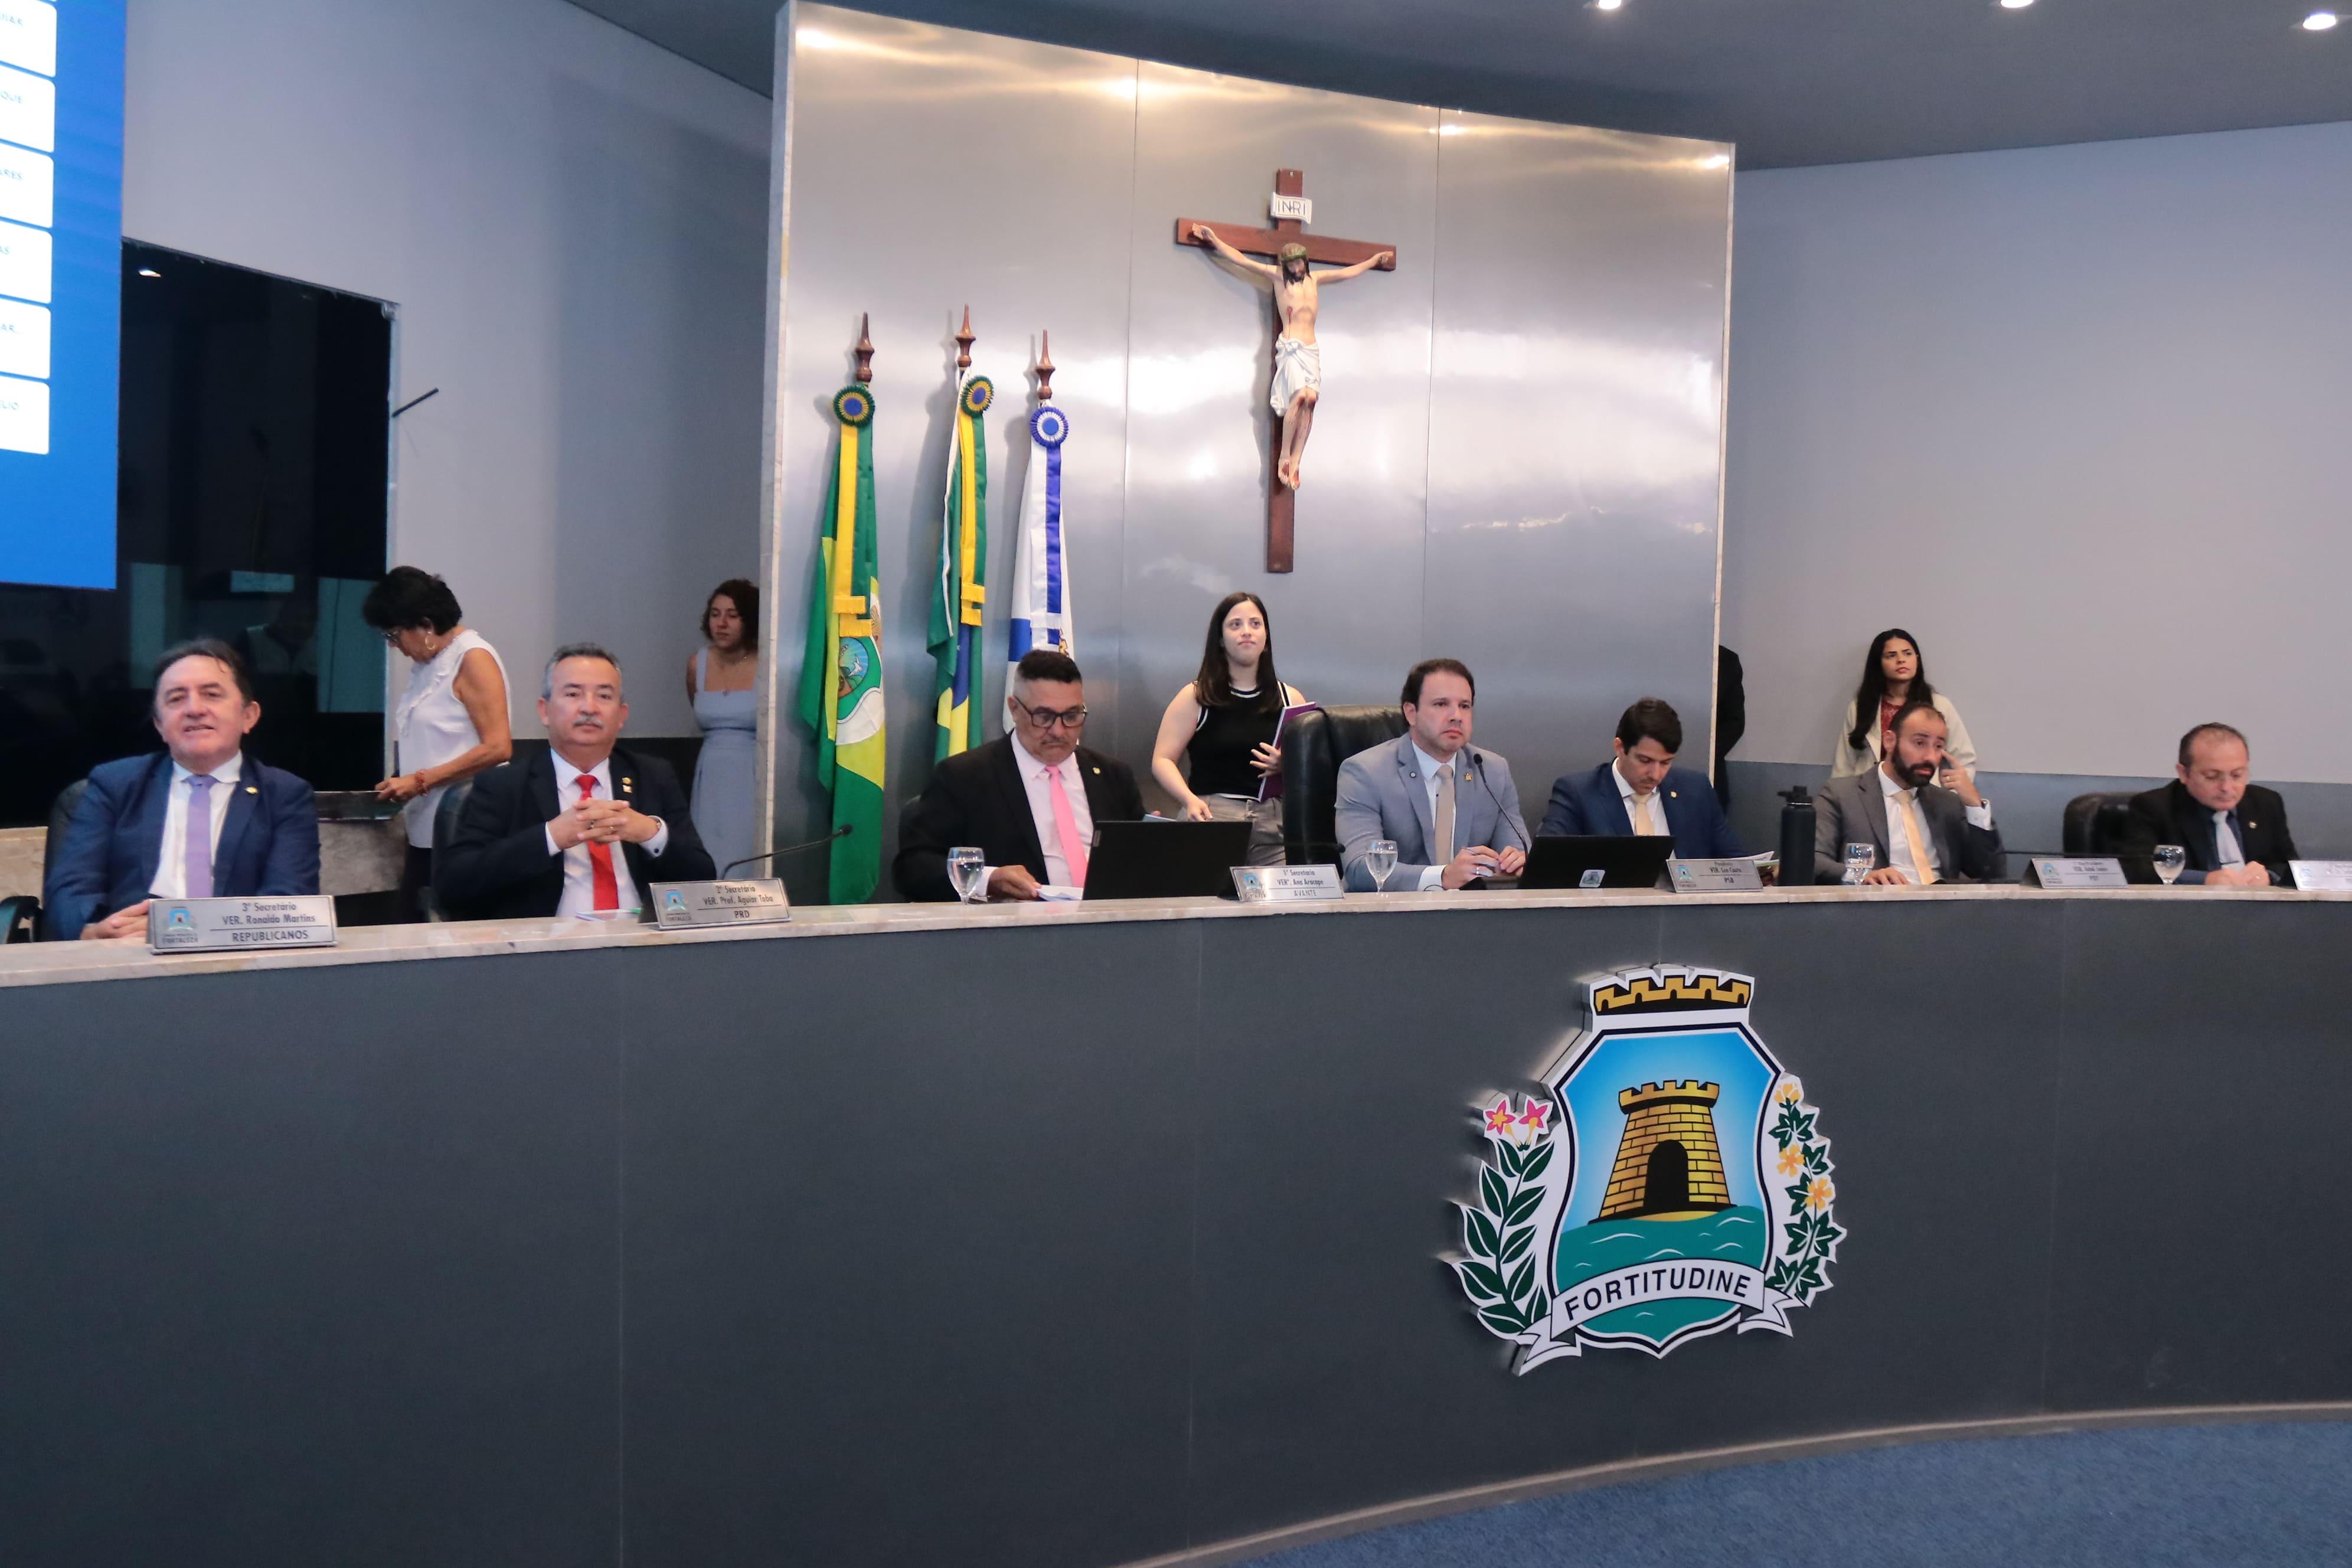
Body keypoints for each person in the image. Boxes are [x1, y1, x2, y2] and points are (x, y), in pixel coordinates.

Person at [43, 639, 321, 939]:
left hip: (238, 962)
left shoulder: (285, 794)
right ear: (160, 725)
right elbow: (71, 888)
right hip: (128, 958)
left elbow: (288, 901)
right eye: (176, 699)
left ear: (248, 716)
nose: (194, 709)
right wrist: (91, 933)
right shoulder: (115, 784)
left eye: (211, 695)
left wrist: (182, 930)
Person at [434, 643, 713, 920]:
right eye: (573, 694)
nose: (589, 707)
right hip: (547, 950)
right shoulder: (504, 785)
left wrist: (651, 832)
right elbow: (454, 884)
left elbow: (702, 876)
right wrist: (550, 837)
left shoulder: (653, 776)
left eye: (604, 696)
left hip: (641, 944)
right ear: (544, 711)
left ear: (621, 716)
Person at [894, 649, 1145, 902]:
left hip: (1111, 925)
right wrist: (988, 879)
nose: (1058, 731)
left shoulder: (1113, 776)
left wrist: (1157, 845)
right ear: (1014, 709)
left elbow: (1138, 865)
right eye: (1044, 717)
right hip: (1016, 932)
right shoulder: (965, 777)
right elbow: (914, 869)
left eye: (1071, 716)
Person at [1188, 224, 1393, 491]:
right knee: (1298, 398)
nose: (1296, 267)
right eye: (1291, 263)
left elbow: (1347, 273)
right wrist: (1214, 240)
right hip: (1291, 348)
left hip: (1310, 350)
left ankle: (1297, 461)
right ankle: (1285, 455)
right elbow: (1241, 259)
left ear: (1304, 262)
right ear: (1285, 265)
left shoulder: (1315, 280)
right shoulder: (1277, 278)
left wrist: (1372, 261)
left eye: (1299, 262)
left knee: (1311, 401)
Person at [362, 566, 512, 919]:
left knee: (447, 927)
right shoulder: (428, 664)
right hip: (425, 821)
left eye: (395, 635)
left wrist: (418, 782)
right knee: (413, 924)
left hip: (466, 824)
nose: (393, 646)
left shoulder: (473, 657)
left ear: (426, 625)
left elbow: (498, 747)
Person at [1334, 658, 1529, 892]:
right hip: (1389, 919)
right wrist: (1443, 877)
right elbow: (1360, 870)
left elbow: (1519, 853)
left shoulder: (1492, 771)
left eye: (1465, 706)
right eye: (1441, 704)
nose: (1456, 716)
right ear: (1411, 713)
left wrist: (1515, 863)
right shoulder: (1365, 773)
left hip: (1474, 918)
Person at [1149, 591, 1305, 867]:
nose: (1247, 632)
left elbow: (1312, 768)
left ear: (1266, 637)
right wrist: (1188, 800)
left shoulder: (1290, 698)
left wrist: (1287, 763)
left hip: (1273, 827)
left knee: (1280, 906)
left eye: (1255, 624)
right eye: (1236, 625)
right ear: (1220, 640)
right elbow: (1162, 760)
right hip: (1212, 817)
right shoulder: (1197, 695)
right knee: (1206, 906)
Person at [1812, 698, 2002, 885]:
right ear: (1889, 741)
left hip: (1943, 908)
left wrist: (1975, 807)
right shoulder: (1841, 795)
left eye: (1938, 747)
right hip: (1880, 908)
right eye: (1920, 743)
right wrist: (1860, 876)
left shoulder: (1947, 803)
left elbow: (1991, 874)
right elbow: (1813, 859)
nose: (1930, 757)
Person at [1538, 698, 1741, 858]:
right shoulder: (1578, 793)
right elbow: (1550, 864)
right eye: (1645, 761)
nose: (1656, 775)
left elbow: (1733, 862)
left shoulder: (1696, 790)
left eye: (1666, 763)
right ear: (1620, 748)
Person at [2119, 723, 2295, 887]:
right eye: (2212, 777)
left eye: (2237, 775)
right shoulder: (2154, 808)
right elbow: (2138, 872)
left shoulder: (2266, 803)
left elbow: (2293, 867)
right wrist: (2205, 880)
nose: (2227, 788)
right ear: (2184, 774)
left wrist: (2270, 875)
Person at [1831, 628, 1978, 780]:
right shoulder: (1860, 707)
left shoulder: (1939, 705)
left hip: (1922, 796)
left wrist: (1947, 799)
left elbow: (1964, 760)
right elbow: (1844, 766)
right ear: (1878, 664)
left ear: (1917, 659)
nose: (1901, 660)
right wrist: (1843, 801)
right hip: (1868, 796)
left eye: (1908, 654)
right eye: (1891, 655)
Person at [687, 578, 760, 877]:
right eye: (716, 614)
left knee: (748, 856)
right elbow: (696, 706)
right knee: (708, 859)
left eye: (733, 615)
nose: (722, 623)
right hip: (711, 775)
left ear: (750, 619)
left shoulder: (767, 664)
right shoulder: (696, 664)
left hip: (752, 773)